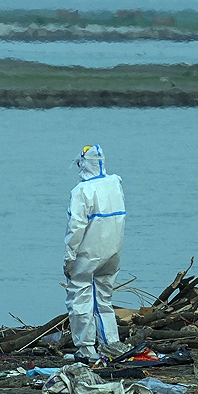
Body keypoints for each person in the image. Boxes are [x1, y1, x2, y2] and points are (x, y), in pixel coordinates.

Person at [65, 144, 126, 363]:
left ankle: (86, 347)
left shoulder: (82, 191)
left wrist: (69, 257)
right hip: (113, 251)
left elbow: (75, 227)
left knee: (80, 296)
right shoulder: (114, 183)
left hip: (88, 252)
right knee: (104, 297)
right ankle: (110, 342)